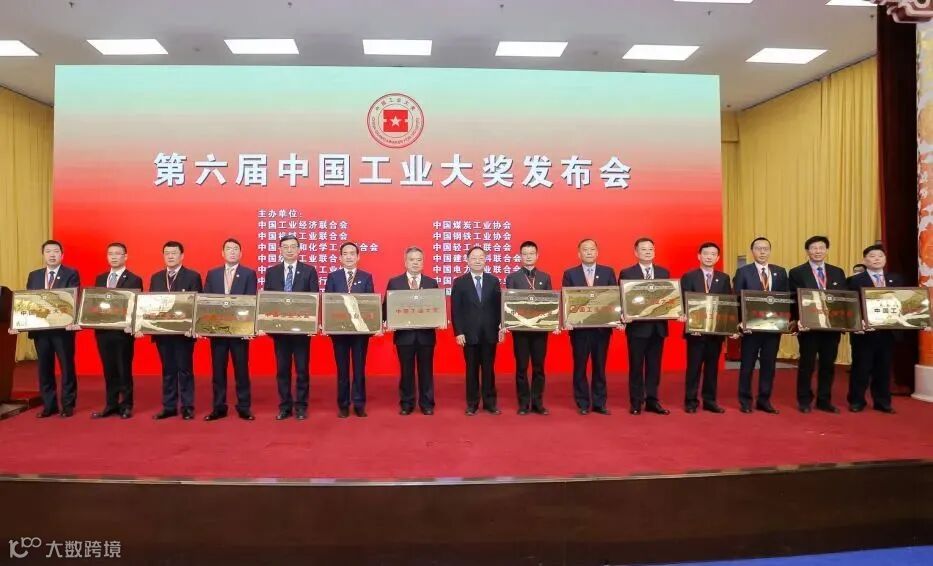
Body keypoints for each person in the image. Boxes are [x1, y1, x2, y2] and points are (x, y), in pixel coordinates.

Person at [11, 240, 80, 418]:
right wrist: (18, 323)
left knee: (67, 367)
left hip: (63, 330)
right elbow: (28, 302)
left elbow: (73, 299)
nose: (52, 254)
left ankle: (68, 405)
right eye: (48, 251)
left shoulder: (71, 273)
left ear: (62, 255)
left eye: (56, 251)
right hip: (41, 331)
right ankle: (49, 405)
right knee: (44, 368)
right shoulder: (34, 275)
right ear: (43, 255)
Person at [789, 235, 848, 414]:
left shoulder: (837, 272)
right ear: (807, 251)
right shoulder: (797, 272)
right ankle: (804, 400)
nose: (818, 251)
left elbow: (843, 299)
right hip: (809, 326)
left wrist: (845, 321)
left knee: (828, 365)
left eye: (821, 248)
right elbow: (793, 299)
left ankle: (824, 400)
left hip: (831, 326)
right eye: (814, 248)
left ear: (826, 250)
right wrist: (797, 321)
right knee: (807, 364)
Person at [263, 235, 319, 421]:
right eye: (285, 247)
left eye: (293, 246)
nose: (289, 250)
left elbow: (314, 299)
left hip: (302, 330)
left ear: (299, 249)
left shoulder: (309, 271)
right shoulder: (272, 272)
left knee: (302, 370)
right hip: (280, 331)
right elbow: (268, 300)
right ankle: (285, 406)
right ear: (280, 250)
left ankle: (301, 406)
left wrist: (311, 323)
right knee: (282, 370)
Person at [202, 238, 258, 421]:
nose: (232, 252)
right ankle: (219, 407)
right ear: (222, 253)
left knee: (241, 370)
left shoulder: (248, 274)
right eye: (228, 249)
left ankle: (244, 407)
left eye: (235, 249)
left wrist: (248, 327)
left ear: (241, 254)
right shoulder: (213, 274)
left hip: (239, 331)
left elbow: (251, 301)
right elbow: (206, 301)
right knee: (218, 371)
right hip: (217, 331)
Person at [561, 238, 617, 415]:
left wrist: (617, 318)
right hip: (580, 330)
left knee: (600, 367)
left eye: (592, 249)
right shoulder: (570, 274)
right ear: (579, 254)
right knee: (580, 367)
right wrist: (566, 319)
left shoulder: (608, 272)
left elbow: (614, 298)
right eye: (585, 250)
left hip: (602, 329)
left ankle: (599, 403)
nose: (589, 252)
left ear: (597, 252)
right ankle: (583, 403)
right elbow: (566, 300)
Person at [733, 237, 787, 414]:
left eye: (765, 248)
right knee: (747, 365)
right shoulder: (743, 272)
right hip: (751, 327)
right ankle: (745, 400)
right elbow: (737, 299)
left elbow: (786, 298)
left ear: (770, 251)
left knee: (769, 365)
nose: (762, 252)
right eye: (758, 248)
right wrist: (740, 322)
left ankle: (764, 400)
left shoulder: (780, 272)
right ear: (752, 251)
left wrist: (788, 322)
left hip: (773, 327)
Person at [149, 241, 202, 420]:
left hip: (183, 334)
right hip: (162, 333)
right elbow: (150, 306)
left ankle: (187, 406)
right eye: (167, 253)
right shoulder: (156, 277)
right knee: (168, 370)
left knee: (184, 370)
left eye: (174, 253)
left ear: (182, 256)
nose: (170, 256)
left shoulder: (192, 276)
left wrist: (193, 327)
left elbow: (197, 305)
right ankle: (169, 406)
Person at [90, 242, 143, 419]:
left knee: (123, 369)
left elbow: (137, 305)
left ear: (125, 256)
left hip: (123, 333)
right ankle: (111, 404)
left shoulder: (134, 279)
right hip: (103, 332)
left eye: (118, 253)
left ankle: (126, 405)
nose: (114, 257)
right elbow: (95, 303)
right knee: (109, 370)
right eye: (110, 253)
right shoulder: (100, 278)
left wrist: (133, 325)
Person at [620, 237, 672, 415]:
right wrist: (623, 316)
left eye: (651, 249)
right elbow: (622, 298)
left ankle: (652, 400)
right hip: (637, 328)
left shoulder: (664, 272)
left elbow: (669, 298)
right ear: (636, 252)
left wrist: (676, 310)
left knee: (654, 367)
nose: (648, 252)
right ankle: (636, 402)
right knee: (636, 366)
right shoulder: (627, 273)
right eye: (643, 249)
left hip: (658, 328)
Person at [847, 244, 901, 414]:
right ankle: (857, 401)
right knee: (861, 368)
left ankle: (882, 402)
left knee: (883, 369)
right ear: (865, 260)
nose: (876, 259)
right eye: (872, 256)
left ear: (885, 259)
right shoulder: (855, 280)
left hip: (888, 332)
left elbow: (904, 302)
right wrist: (857, 323)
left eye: (880, 256)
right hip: (864, 333)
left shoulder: (895, 279)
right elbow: (850, 305)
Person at [385, 246, 438, 416]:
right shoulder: (395, 282)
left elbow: (436, 307)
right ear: (405, 262)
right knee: (406, 371)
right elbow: (387, 307)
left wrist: (439, 319)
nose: (415, 263)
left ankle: (427, 403)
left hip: (426, 336)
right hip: (404, 336)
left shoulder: (431, 283)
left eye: (419, 260)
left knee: (426, 371)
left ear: (423, 262)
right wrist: (388, 321)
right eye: (412, 260)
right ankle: (406, 403)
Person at [679, 242, 732, 414]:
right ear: (699, 256)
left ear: (717, 257)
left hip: (715, 332)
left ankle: (710, 401)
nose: (709, 256)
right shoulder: (689, 276)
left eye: (713, 254)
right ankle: (690, 401)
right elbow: (684, 302)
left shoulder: (723, 278)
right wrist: (688, 321)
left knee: (712, 368)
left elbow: (727, 304)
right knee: (693, 368)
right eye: (706, 253)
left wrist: (729, 327)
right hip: (695, 331)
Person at [504, 241, 555, 415]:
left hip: (540, 330)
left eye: (531, 253)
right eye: (525, 254)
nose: (528, 256)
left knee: (539, 367)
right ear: (520, 256)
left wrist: (553, 323)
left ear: (537, 255)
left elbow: (551, 303)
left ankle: (538, 403)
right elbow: (509, 304)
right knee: (522, 367)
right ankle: (524, 403)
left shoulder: (545, 277)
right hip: (520, 330)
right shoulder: (513, 277)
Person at [451, 246, 504, 416]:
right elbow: (456, 310)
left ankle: (490, 403)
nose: (477, 261)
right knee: (471, 370)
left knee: (489, 369)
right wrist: (458, 332)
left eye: (481, 257)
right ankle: (472, 404)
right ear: (467, 261)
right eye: (474, 258)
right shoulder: (460, 282)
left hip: (490, 332)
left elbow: (498, 307)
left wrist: (501, 327)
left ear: (486, 260)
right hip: (469, 334)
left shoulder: (493, 281)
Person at [324, 242, 375, 418]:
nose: (349, 256)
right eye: (345, 253)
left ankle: (359, 404)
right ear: (340, 258)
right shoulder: (333, 277)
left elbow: (370, 304)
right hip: (339, 331)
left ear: (358, 257)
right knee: (342, 370)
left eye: (352, 253)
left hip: (360, 331)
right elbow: (328, 302)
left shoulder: (366, 277)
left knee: (359, 369)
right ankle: (343, 405)